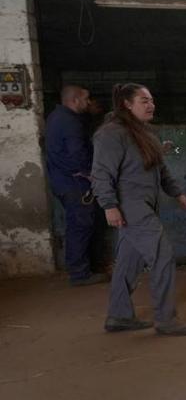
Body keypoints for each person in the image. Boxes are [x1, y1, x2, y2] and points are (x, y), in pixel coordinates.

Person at [90, 84, 186, 336]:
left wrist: (177, 192)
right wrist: (109, 206)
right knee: (162, 255)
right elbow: (101, 173)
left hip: (146, 203)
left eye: (151, 100)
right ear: (127, 104)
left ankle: (119, 316)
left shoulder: (146, 132)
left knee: (129, 260)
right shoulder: (111, 134)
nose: (151, 105)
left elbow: (160, 168)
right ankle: (166, 319)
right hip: (130, 204)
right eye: (144, 101)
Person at [46, 84, 105, 286]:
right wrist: (91, 174)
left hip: (62, 180)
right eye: (86, 99)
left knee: (80, 223)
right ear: (75, 100)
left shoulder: (57, 117)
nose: (89, 102)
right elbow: (78, 154)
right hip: (74, 183)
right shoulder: (70, 122)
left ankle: (83, 268)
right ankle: (79, 273)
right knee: (81, 225)